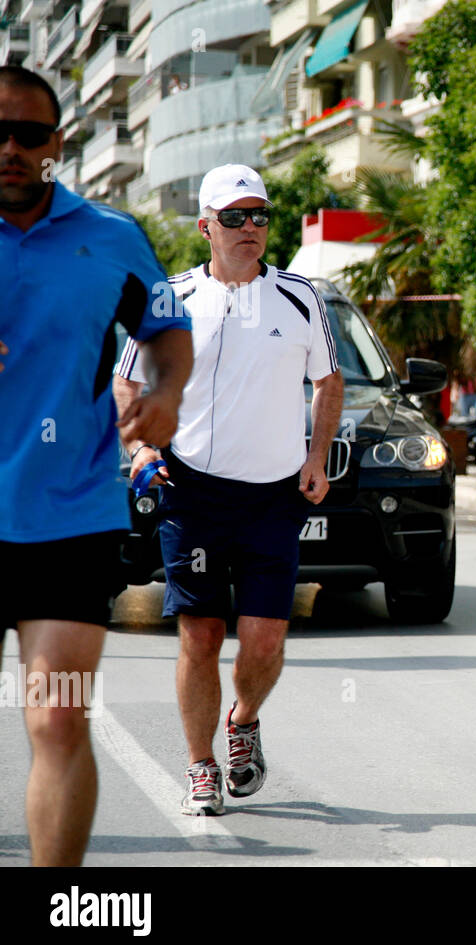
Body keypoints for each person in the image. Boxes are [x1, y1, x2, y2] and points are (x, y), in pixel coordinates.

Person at [0, 66, 192, 865]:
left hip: (70, 515)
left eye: (28, 135)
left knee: (56, 717)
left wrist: (169, 390)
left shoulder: (112, 236)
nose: (9, 149)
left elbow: (167, 330)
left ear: (58, 146)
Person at [114, 164, 343, 816]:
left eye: (260, 216)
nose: (251, 228)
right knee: (202, 633)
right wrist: (143, 447)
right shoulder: (172, 297)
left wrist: (316, 457)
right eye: (236, 217)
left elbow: (328, 382)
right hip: (191, 489)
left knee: (266, 638)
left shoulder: (301, 298)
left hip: (274, 494)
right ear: (206, 226)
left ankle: (243, 720)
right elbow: (128, 380)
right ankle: (200, 764)